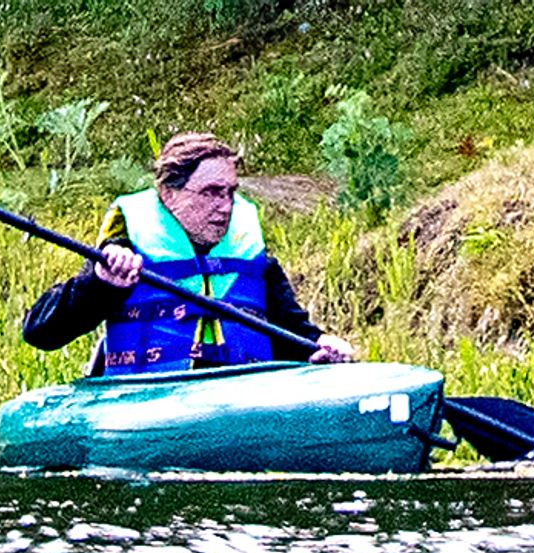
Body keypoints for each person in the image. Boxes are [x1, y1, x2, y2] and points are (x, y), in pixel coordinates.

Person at [20, 133, 347, 375]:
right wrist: (101, 285)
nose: (225, 207)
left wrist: (320, 345)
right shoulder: (125, 251)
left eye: (230, 193)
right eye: (211, 193)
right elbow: (41, 332)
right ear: (168, 193)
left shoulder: (253, 259)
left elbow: (292, 331)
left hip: (241, 397)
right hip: (153, 398)